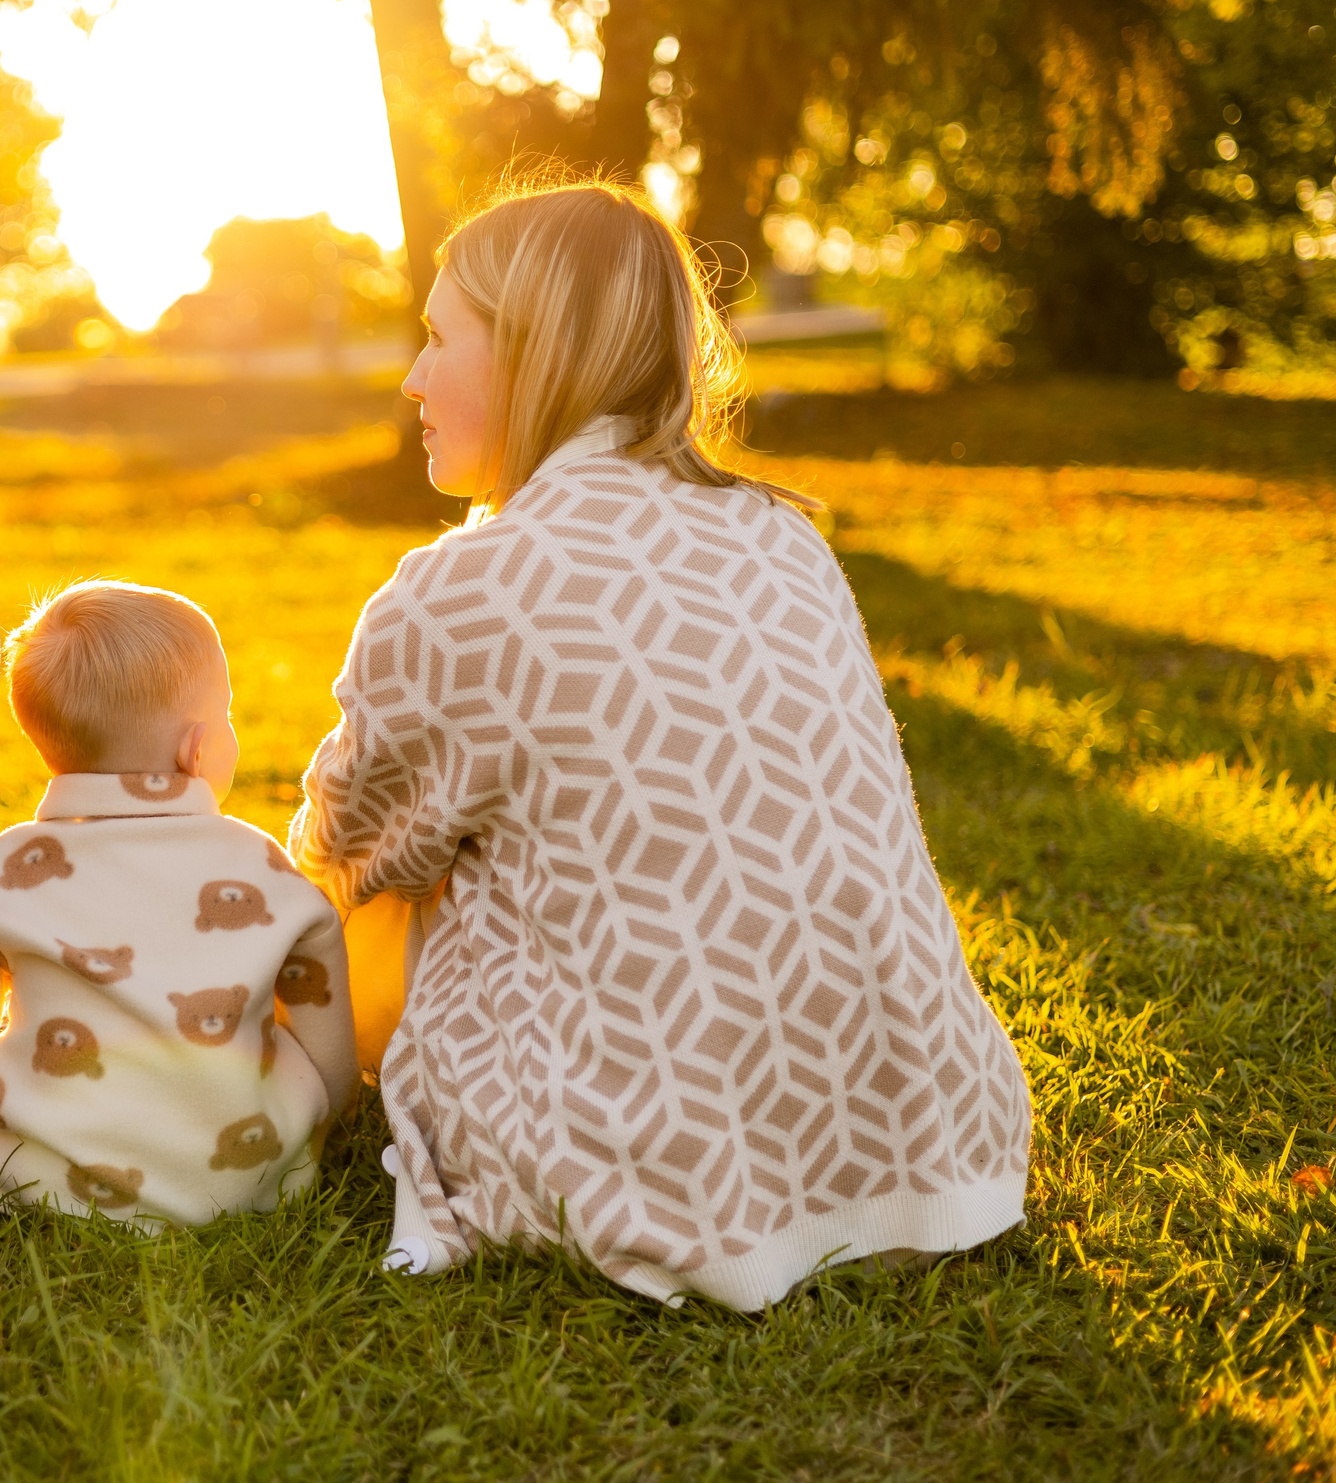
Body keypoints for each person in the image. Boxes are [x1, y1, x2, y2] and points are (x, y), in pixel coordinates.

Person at [291, 179, 1032, 1310]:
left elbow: (338, 858)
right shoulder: (782, 534)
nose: (412, 377)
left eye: (440, 338)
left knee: (384, 896)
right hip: (934, 1141)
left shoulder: (464, 589)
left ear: (536, 354)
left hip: (650, 1176)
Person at [0, 582, 356, 1227]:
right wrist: (336, 1102)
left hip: (45, 1187)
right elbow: (317, 985)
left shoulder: (10, 872)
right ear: (197, 748)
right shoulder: (255, 864)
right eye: (228, 716)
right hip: (249, 1181)